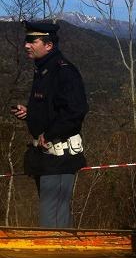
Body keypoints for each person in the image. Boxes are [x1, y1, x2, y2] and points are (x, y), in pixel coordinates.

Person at [10, 21, 89, 228]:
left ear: (48, 45)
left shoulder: (63, 71)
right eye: (26, 40)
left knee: (52, 223)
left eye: (32, 41)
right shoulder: (44, 69)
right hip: (46, 160)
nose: (26, 45)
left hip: (59, 158)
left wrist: (51, 133)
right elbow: (54, 108)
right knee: (54, 219)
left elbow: (75, 111)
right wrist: (31, 114)